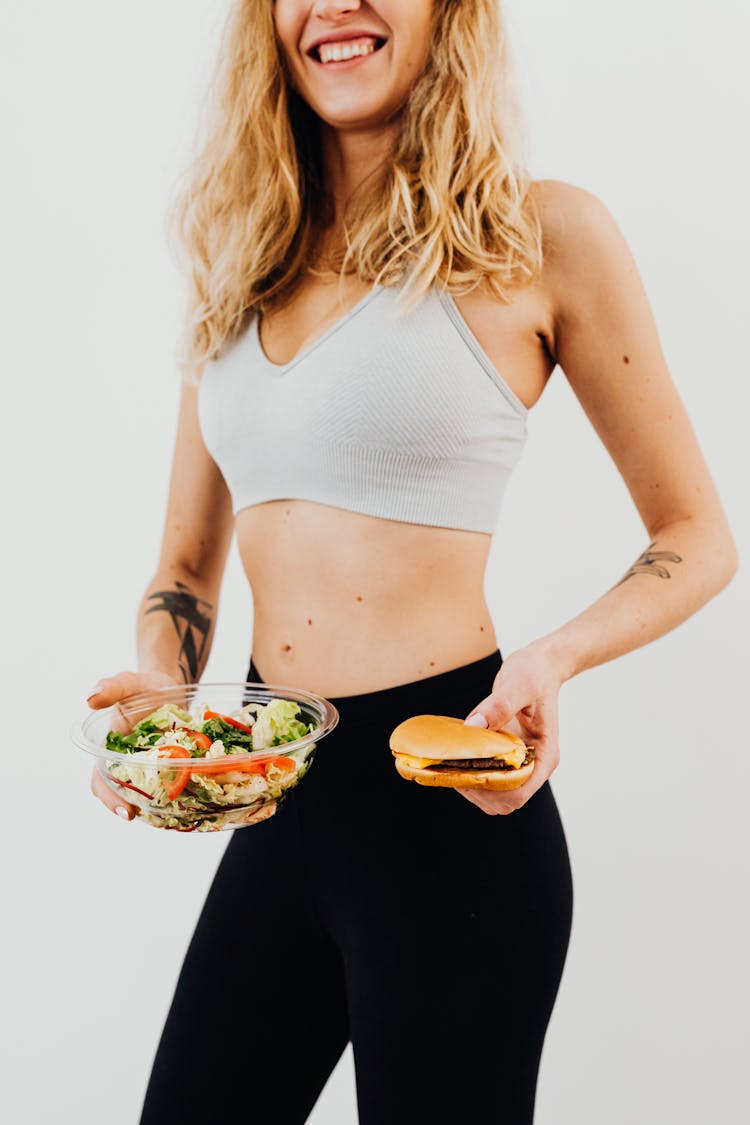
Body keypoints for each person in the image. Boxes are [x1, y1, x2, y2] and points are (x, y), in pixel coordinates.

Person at [86, 1, 738, 1122]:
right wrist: (165, 700)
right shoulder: (238, 257)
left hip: (448, 819)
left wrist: (554, 658)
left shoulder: (540, 234)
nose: (336, 6)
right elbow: (186, 570)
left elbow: (698, 534)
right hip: (274, 793)